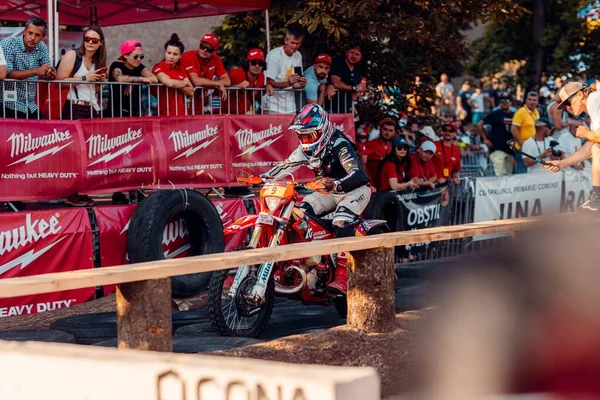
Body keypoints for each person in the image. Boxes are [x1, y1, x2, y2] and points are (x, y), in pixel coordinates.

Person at [260, 104, 371, 295]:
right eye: (301, 136)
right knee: (299, 213)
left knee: (341, 219)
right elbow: (284, 166)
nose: (304, 140)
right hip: (328, 191)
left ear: (323, 130)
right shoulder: (304, 150)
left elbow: (358, 175)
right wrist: (262, 178)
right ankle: (309, 261)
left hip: (355, 189)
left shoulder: (339, 144)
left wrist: (335, 185)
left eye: (309, 135)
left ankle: (343, 277)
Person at [545, 82, 600, 210]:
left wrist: (587, 134)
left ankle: (597, 201)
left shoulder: (594, 100)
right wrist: (562, 163)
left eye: (569, 103)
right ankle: (597, 200)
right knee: (596, 148)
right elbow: (589, 147)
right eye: (565, 106)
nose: (568, 108)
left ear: (580, 94)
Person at [0, 17, 55, 119]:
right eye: (30, 33)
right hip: (6, 104)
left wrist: (50, 74)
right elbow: (7, 73)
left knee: (45, 129)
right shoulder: (9, 43)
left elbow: (46, 70)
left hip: (29, 105)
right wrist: (36, 71)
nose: (33, 37)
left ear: (43, 36)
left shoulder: (42, 47)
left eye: (37, 35)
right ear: (24, 31)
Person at [56, 26, 107, 120]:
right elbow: (60, 82)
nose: (90, 42)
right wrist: (85, 78)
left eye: (94, 40)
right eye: (87, 39)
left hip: (93, 107)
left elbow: (95, 91)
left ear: (101, 43)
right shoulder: (72, 54)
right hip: (74, 106)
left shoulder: (98, 60)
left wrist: (99, 81)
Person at [180, 33, 230, 114]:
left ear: (214, 52)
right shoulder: (189, 56)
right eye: (202, 46)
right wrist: (218, 84)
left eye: (209, 48)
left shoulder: (216, 59)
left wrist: (212, 84)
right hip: (182, 103)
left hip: (198, 104)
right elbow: (196, 81)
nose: (205, 50)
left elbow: (227, 81)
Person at [107, 40, 157, 118]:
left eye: (141, 56)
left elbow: (154, 78)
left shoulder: (139, 67)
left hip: (134, 113)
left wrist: (134, 82)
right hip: (116, 113)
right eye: (136, 56)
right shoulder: (116, 65)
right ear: (125, 56)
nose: (139, 59)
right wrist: (139, 79)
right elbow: (120, 78)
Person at [262, 26, 306, 114]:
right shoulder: (274, 55)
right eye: (292, 42)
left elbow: (296, 82)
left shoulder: (298, 55)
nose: (294, 46)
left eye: (298, 43)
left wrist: (301, 83)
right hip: (272, 105)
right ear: (286, 40)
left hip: (290, 106)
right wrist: (288, 83)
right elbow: (269, 82)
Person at [152, 33, 194, 117]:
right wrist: (184, 83)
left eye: (175, 54)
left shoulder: (181, 70)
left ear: (180, 56)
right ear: (165, 53)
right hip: (164, 114)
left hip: (181, 114)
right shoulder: (158, 67)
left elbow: (191, 92)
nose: (171, 56)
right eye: (169, 53)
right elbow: (169, 83)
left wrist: (176, 84)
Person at [478, 92, 516, 176]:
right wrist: (485, 139)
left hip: (510, 148)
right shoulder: (495, 113)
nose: (504, 102)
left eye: (507, 100)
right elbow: (480, 124)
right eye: (502, 101)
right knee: (500, 174)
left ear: (510, 102)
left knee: (509, 174)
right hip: (497, 147)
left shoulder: (514, 115)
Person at [225, 48, 266, 114]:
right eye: (254, 63)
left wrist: (265, 88)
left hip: (243, 114)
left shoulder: (261, 76)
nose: (257, 66)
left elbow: (255, 95)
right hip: (226, 115)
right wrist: (237, 87)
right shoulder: (235, 74)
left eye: (260, 63)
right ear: (247, 63)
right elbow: (219, 91)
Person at [511, 91, 540, 173]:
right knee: (521, 173)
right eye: (530, 99)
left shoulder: (536, 112)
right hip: (522, 148)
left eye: (534, 100)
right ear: (526, 100)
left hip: (532, 147)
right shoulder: (521, 112)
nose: (532, 102)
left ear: (537, 101)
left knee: (530, 171)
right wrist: (521, 144)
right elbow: (513, 128)